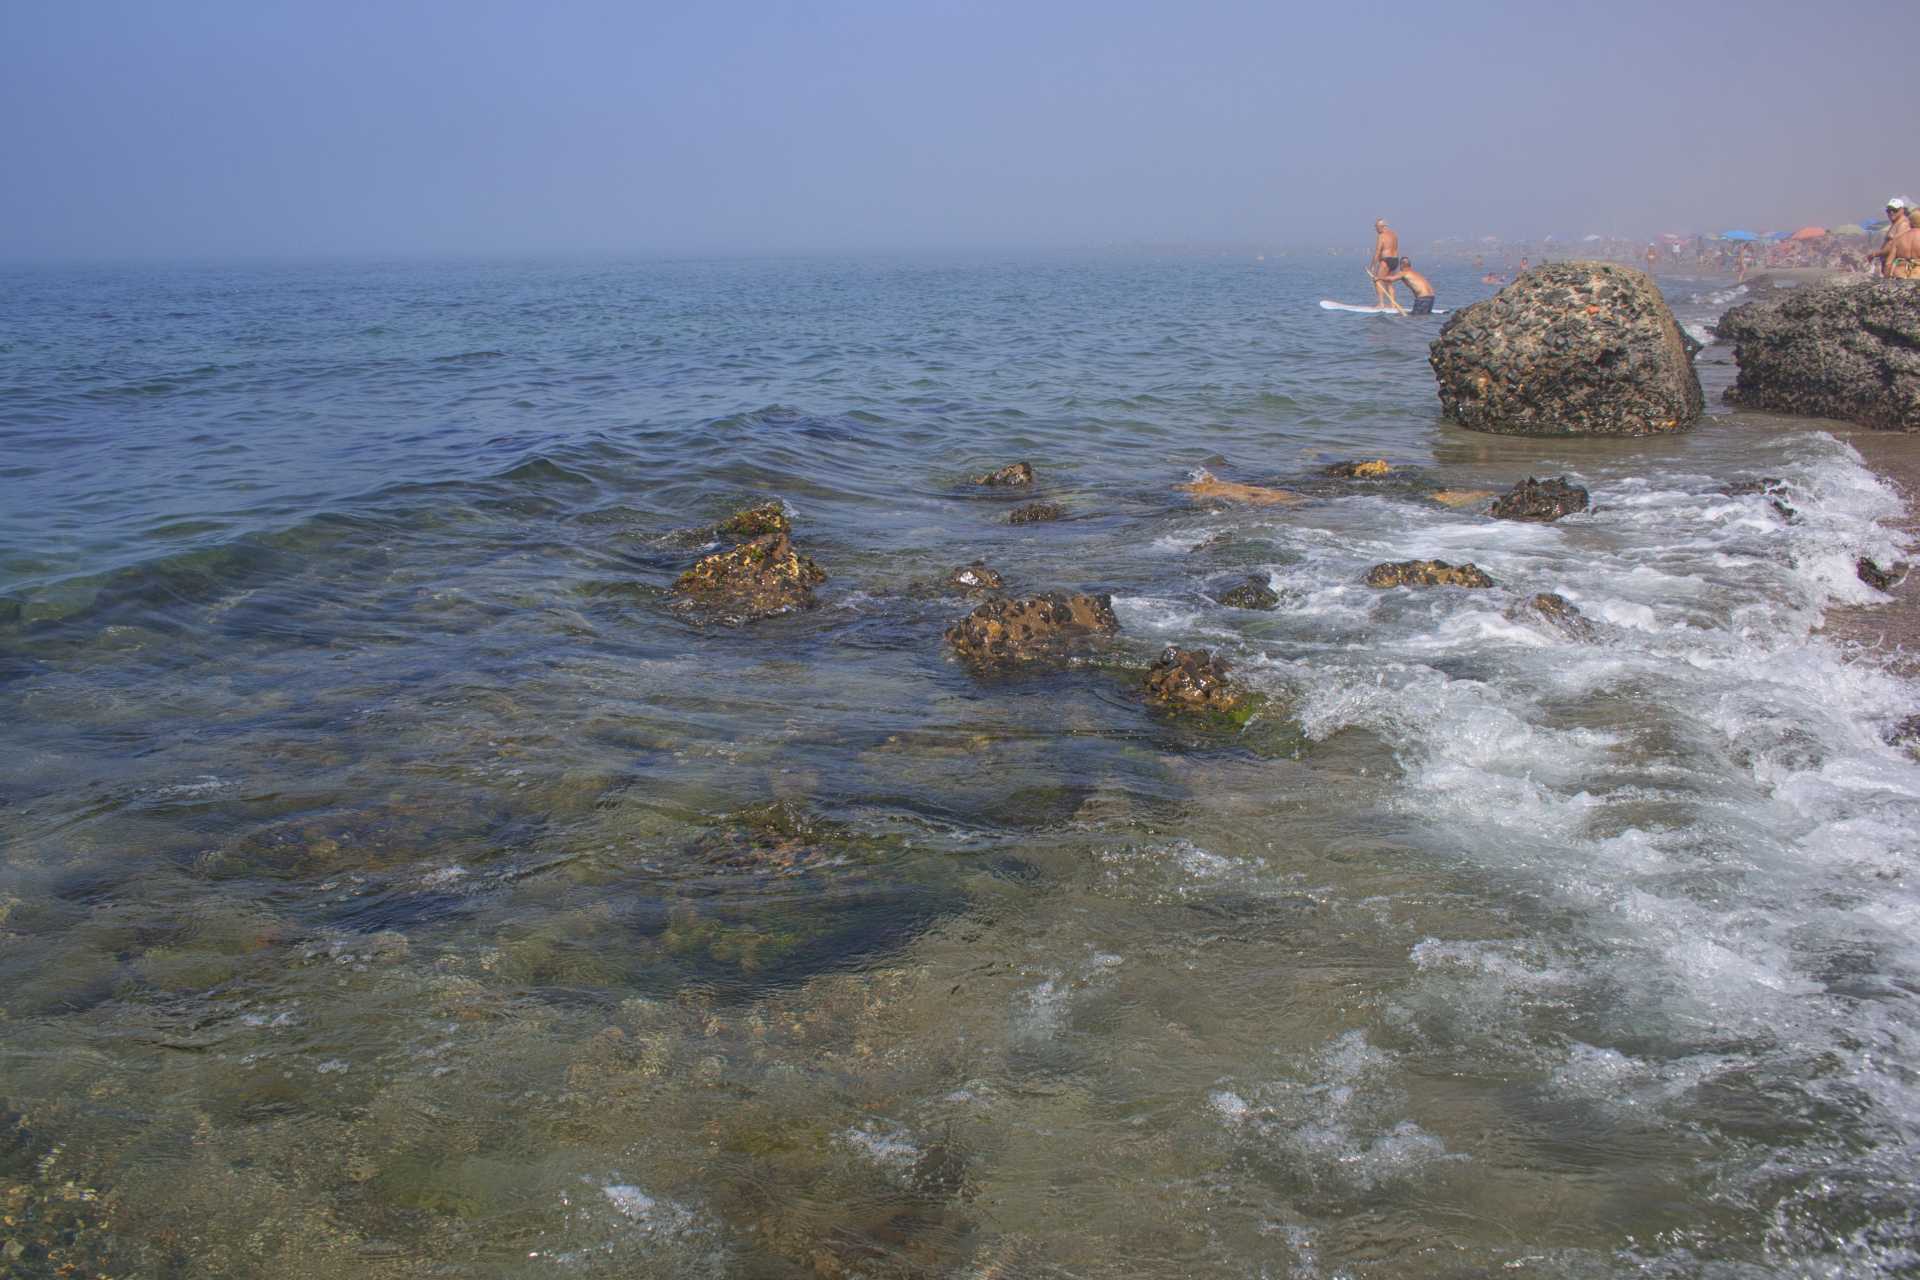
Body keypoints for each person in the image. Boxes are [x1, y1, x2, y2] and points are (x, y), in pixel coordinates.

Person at [1868, 198, 1911, 276]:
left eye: (1894, 210)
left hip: (1896, 268)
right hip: (1890, 267)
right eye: (1888, 210)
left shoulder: (1903, 224)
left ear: (1902, 210)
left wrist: (1875, 254)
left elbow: (1894, 245)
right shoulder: (1896, 223)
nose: (1891, 212)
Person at [1370, 218, 1403, 308]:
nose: (1376, 229)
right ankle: (1392, 304)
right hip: (1395, 260)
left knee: (1377, 280)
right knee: (1389, 282)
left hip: (1386, 260)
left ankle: (1381, 303)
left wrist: (1372, 265)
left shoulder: (1381, 236)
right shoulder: (1394, 235)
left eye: (1377, 227)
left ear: (1382, 227)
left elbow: (1378, 251)